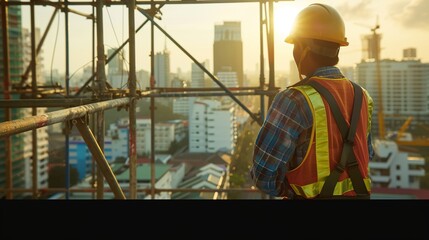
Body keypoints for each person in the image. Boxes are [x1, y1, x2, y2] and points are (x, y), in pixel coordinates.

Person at [250, 3, 374, 199]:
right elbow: (366, 155)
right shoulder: (362, 96)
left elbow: (264, 177)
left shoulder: (294, 100)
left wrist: (294, 190)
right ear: (338, 48)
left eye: (294, 46)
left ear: (302, 48)